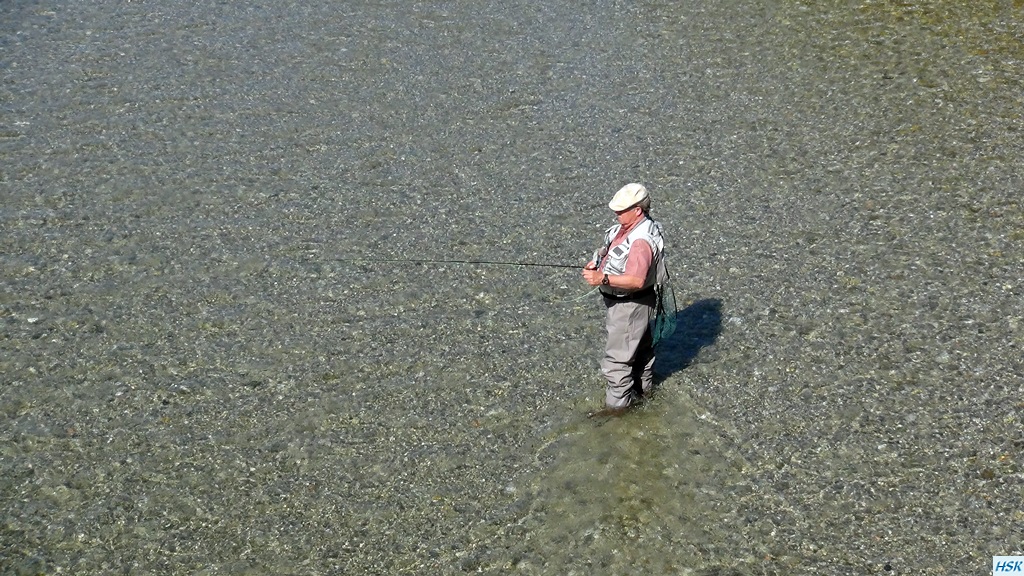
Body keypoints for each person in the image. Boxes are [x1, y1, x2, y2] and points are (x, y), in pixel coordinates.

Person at [582, 183, 668, 416]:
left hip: (629, 306)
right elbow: (615, 253)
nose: (616, 214)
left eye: (621, 210)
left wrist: (602, 278)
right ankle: (644, 393)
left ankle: (617, 413)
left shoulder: (640, 242)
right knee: (641, 350)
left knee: (617, 362)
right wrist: (598, 264)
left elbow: (637, 280)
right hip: (637, 304)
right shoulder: (633, 226)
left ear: (638, 210)